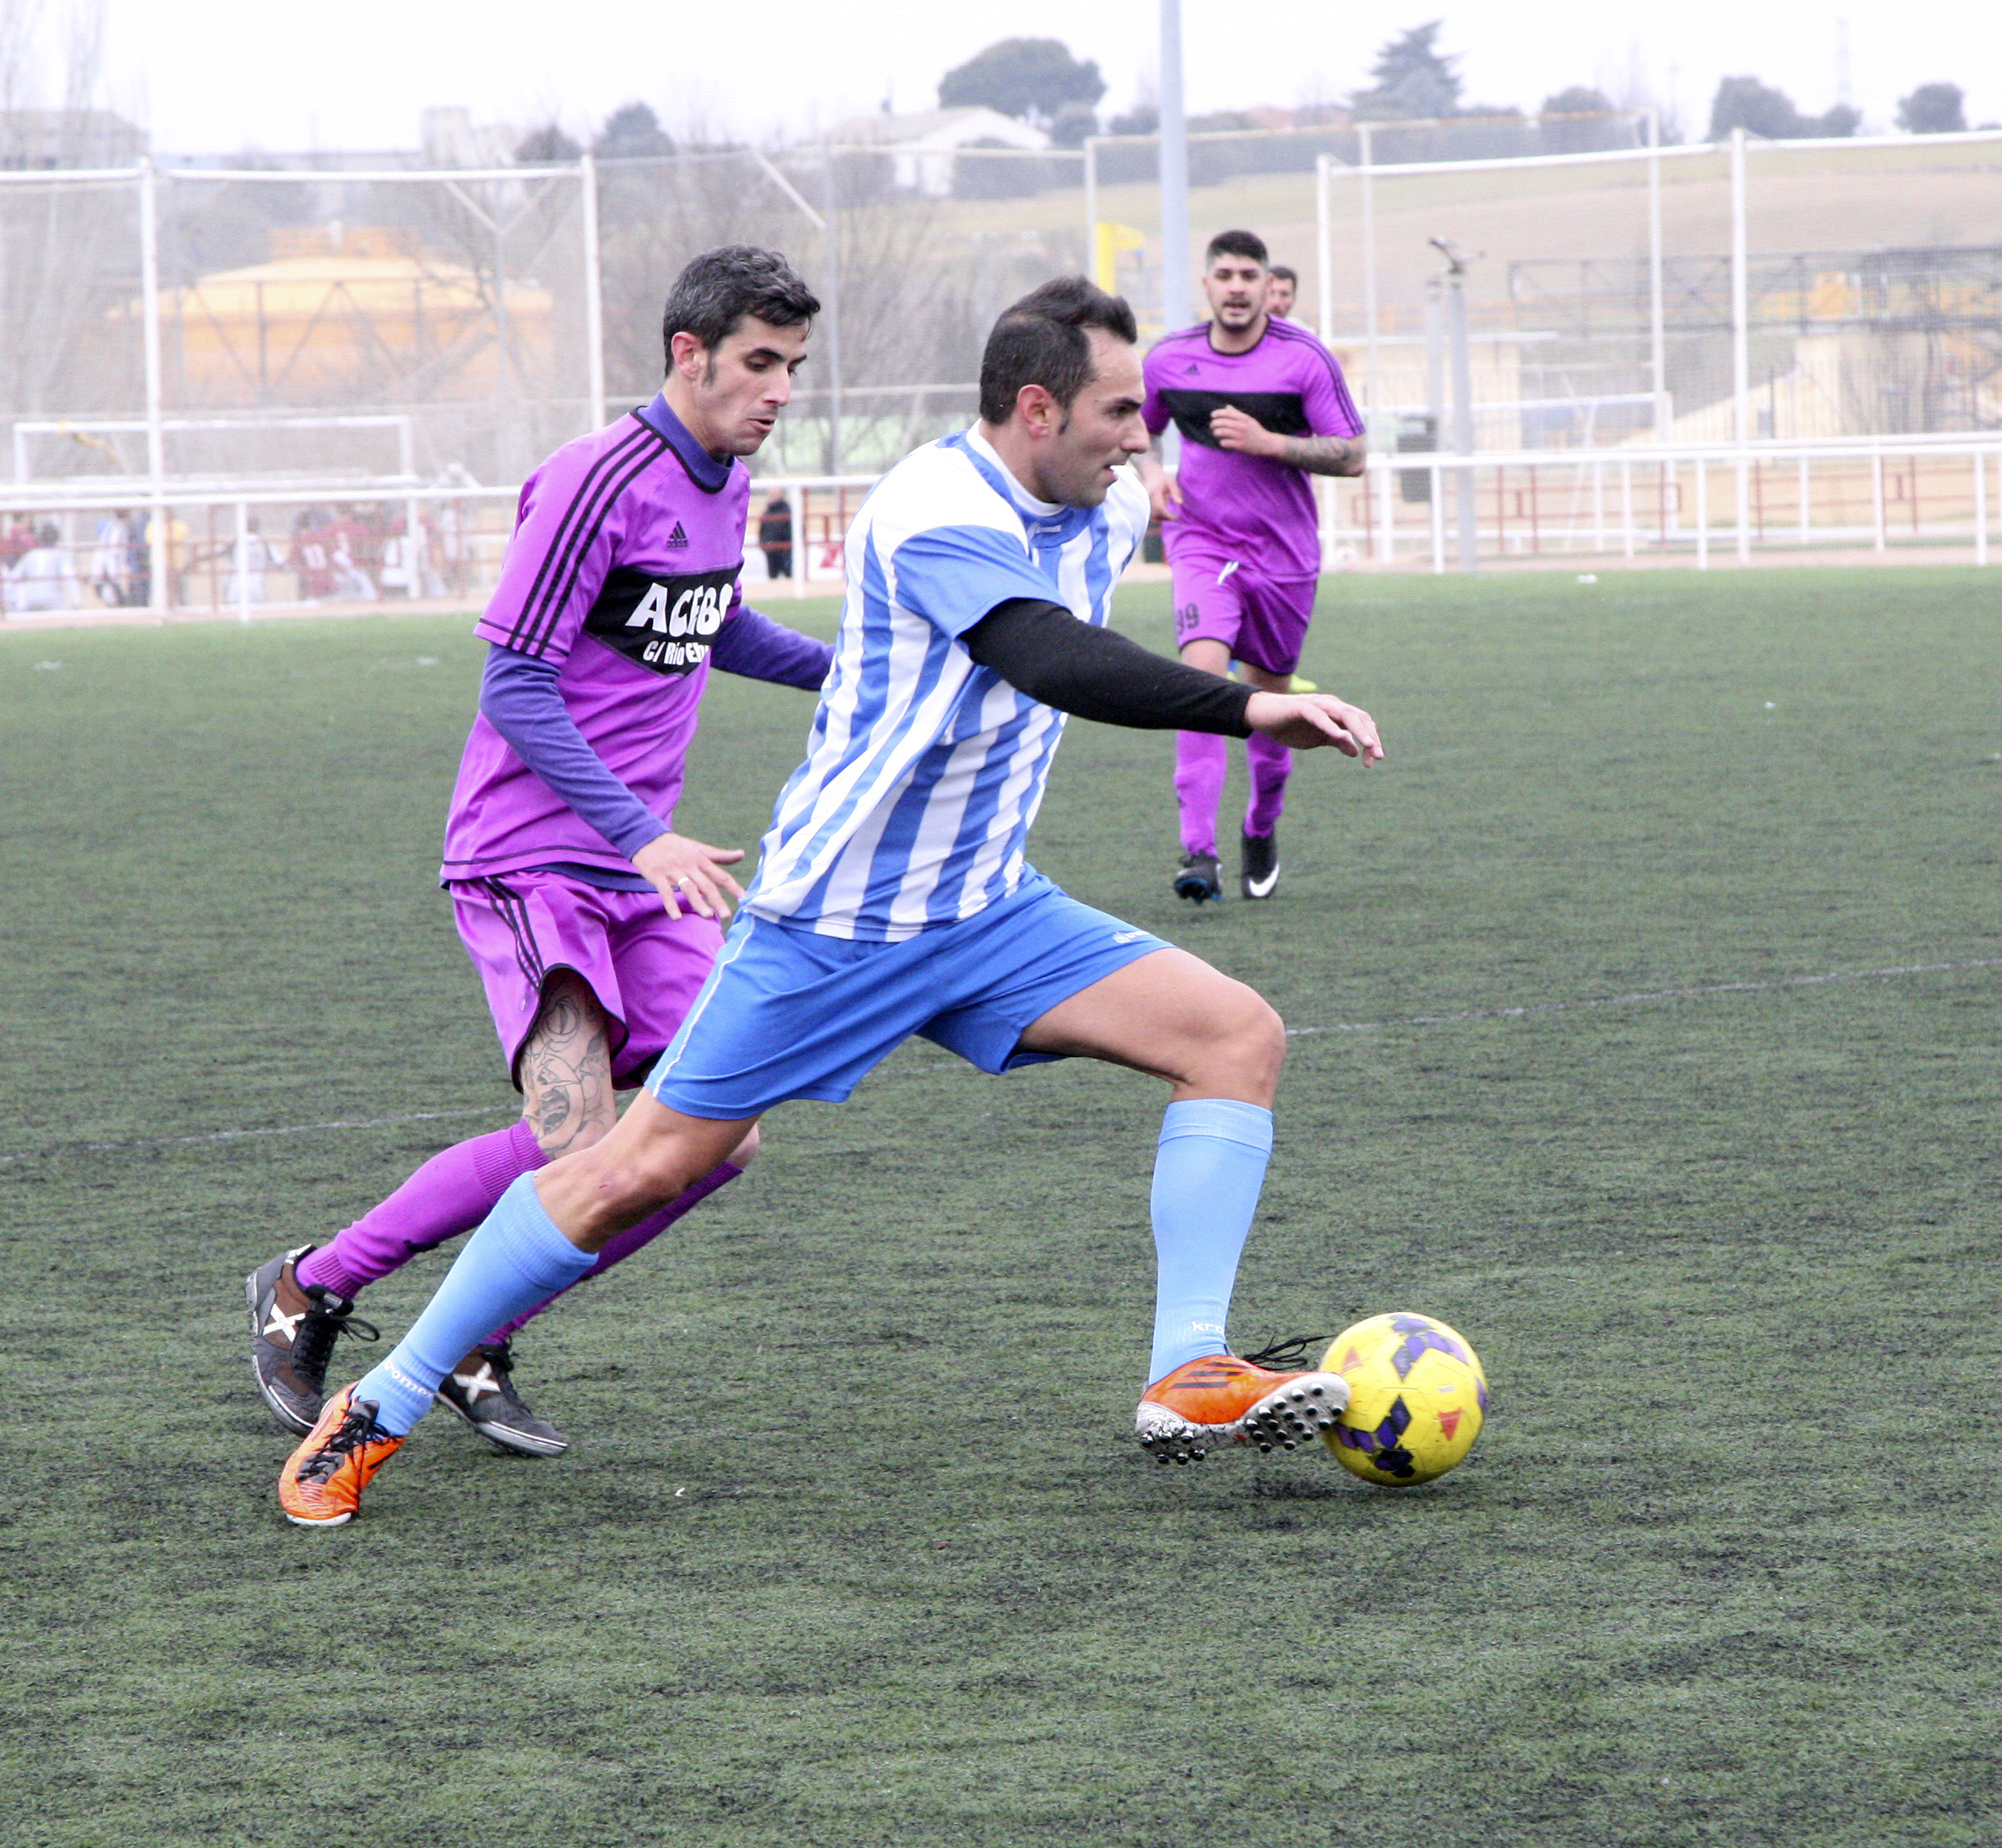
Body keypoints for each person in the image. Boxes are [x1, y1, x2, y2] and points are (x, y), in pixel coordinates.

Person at [275, 275, 1385, 1527]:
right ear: (1035, 408)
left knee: (1237, 1034)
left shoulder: (1110, 493)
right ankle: (380, 1400)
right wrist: (1244, 701)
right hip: (835, 920)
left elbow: (1129, 609)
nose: (1147, 435)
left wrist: (1207, 652)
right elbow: (1044, 655)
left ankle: (1188, 1370)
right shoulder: (933, 504)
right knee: (622, 1167)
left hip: (986, 909)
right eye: (1124, 411)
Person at [247, 247, 834, 1460]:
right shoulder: (594, 479)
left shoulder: (720, 481)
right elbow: (513, 682)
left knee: (722, 1133)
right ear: (690, 352)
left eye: (795, 368)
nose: (781, 390)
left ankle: (475, 1335)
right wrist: (642, 831)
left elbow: (709, 623)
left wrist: (860, 672)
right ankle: (310, 1284)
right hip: (531, 858)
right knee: (581, 1138)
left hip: (644, 870)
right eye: (762, 363)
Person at [1139, 230, 1365, 903]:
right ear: (1206, 286)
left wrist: (1269, 442)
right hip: (1202, 541)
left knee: (1269, 703)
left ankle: (1261, 826)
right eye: (1225, 275)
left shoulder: (1304, 361)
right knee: (1200, 678)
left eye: (1249, 275)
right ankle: (1197, 853)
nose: (1237, 286)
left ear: (1270, 287)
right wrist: (1150, 471)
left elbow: (1352, 455)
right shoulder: (1170, 360)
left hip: (1284, 558)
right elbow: (1139, 425)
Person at [4, 522, 74, 612]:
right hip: (53, 600)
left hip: (31, 600)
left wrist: (6, 601)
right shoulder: (60, 554)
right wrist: (76, 602)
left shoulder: (31, 554)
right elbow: (69, 577)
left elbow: (13, 577)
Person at [759, 491, 794, 579]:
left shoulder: (787, 510)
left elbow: (789, 530)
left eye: (774, 494)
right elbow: (762, 529)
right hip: (771, 551)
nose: (771, 496)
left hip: (785, 551)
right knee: (772, 576)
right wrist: (763, 542)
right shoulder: (768, 510)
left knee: (789, 575)